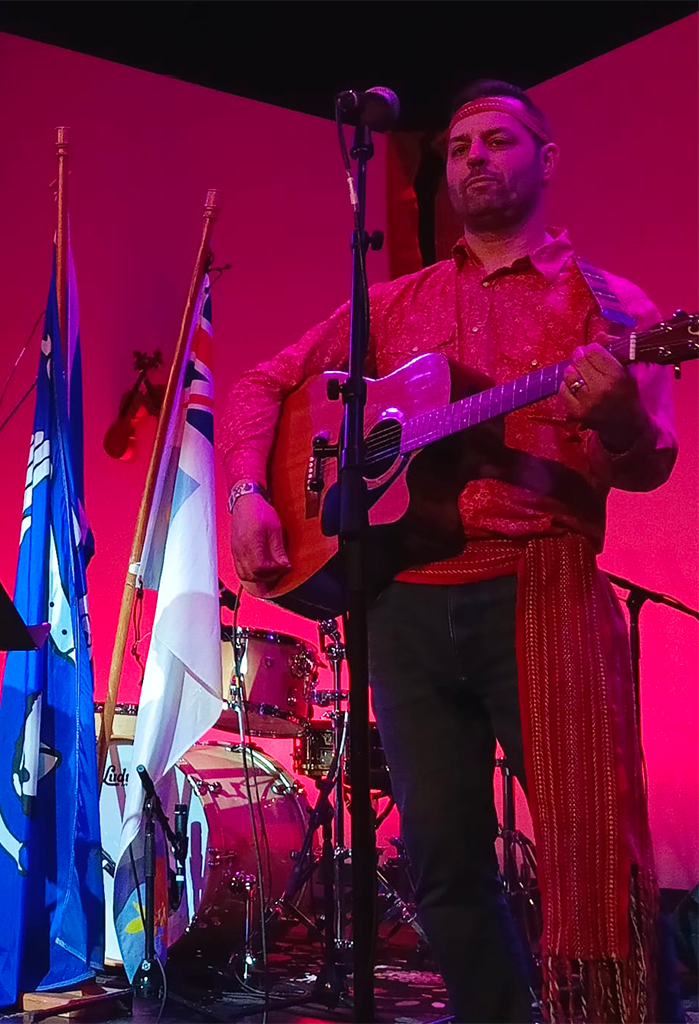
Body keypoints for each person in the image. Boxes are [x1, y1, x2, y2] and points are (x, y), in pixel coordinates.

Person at [221, 81, 681, 1023]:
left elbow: (647, 465)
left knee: (592, 846)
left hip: (541, 583)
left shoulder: (612, 306)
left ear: (544, 161)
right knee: (442, 864)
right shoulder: (393, 305)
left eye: (498, 140)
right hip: (406, 602)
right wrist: (244, 490)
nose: (473, 156)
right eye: (460, 145)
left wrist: (624, 415)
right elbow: (260, 387)